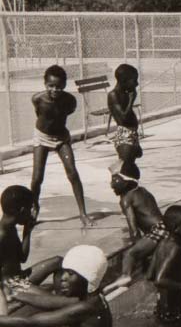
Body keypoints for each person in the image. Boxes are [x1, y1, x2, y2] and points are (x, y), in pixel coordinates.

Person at [30, 65, 92, 226]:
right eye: (51, 86)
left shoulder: (69, 100)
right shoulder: (38, 99)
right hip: (42, 137)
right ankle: (33, 210)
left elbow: (67, 112)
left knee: (72, 172)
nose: (55, 90)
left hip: (61, 137)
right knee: (37, 178)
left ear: (64, 85)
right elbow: (40, 113)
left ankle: (83, 214)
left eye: (58, 86)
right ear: (45, 84)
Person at [108, 167, 167, 286]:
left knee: (130, 254)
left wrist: (137, 250)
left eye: (115, 181)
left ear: (126, 181)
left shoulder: (126, 199)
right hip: (165, 226)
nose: (111, 185)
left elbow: (134, 231)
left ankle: (126, 276)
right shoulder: (143, 191)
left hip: (158, 230)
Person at [0, 185, 64, 293]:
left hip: (18, 278)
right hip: (9, 286)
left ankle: (60, 292)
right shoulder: (2, 236)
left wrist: (27, 230)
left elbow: (22, 258)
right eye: (30, 209)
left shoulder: (11, 228)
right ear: (22, 210)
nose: (31, 213)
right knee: (46, 295)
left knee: (58, 261)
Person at [107, 64, 142, 176]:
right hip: (124, 135)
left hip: (132, 133)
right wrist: (131, 100)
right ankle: (117, 177)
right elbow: (123, 118)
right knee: (125, 169)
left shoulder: (125, 93)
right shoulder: (113, 95)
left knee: (130, 165)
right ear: (124, 81)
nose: (137, 84)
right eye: (134, 80)